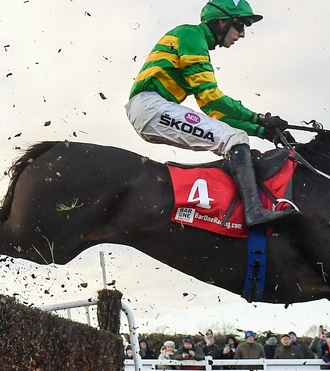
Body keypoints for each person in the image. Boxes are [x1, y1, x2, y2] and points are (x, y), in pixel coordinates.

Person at [126, 0, 298, 228]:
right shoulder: (191, 36)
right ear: (222, 22)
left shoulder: (195, 40)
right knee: (235, 139)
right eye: (241, 25)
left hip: (152, 109)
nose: (243, 35)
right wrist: (260, 118)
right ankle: (254, 212)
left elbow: (213, 112)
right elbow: (212, 98)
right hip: (151, 108)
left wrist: (261, 131)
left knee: (233, 136)